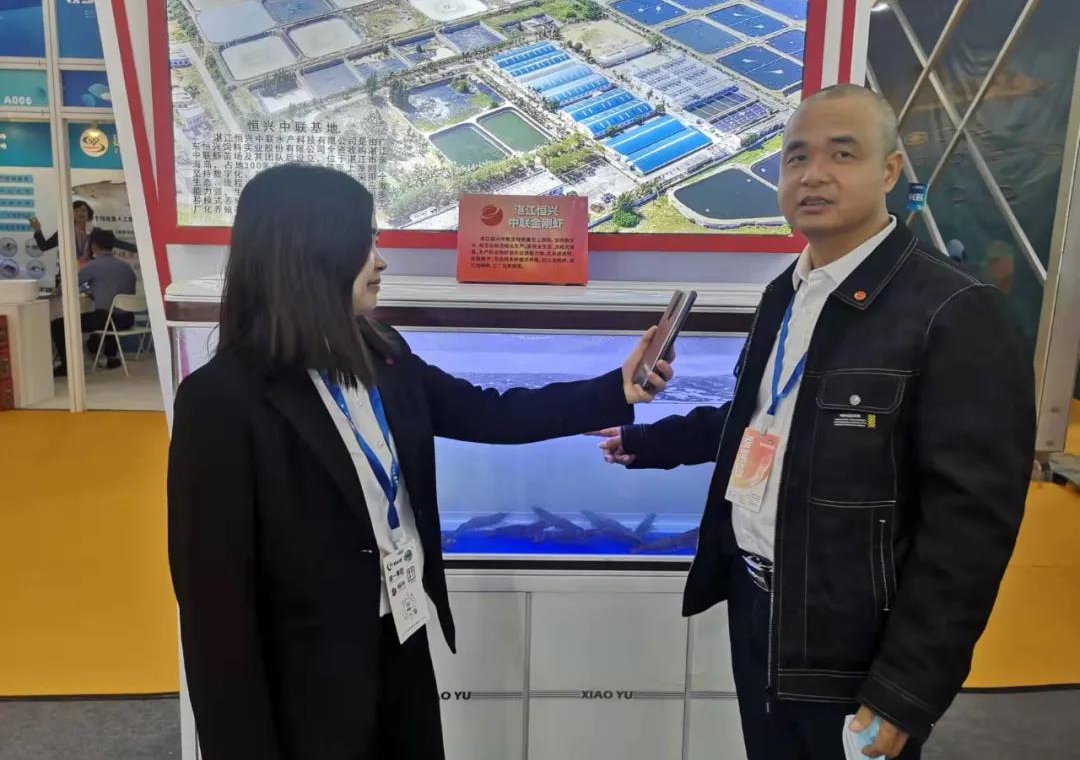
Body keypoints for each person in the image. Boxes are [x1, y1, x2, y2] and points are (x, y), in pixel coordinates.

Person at [166, 163, 674, 760]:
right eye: (366, 243)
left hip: (399, 639)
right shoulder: (221, 401)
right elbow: (214, 612)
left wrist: (616, 388)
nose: (380, 261)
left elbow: (489, 413)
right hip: (303, 681)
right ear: (311, 252)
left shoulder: (380, 352)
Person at [596, 85, 1034, 759]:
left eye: (842, 154)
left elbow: (970, 530)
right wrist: (647, 440)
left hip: (853, 646)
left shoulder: (954, 311)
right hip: (760, 613)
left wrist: (905, 690)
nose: (813, 174)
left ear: (889, 171)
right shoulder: (788, 292)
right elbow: (763, 418)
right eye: (796, 157)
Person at [49, 228, 137, 376]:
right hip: (127, 318)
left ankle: (66, 366)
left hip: (108, 319)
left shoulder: (94, 265)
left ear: (94, 245)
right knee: (105, 316)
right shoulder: (126, 266)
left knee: (58, 325)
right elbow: (123, 292)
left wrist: (56, 291)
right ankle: (111, 357)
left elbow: (67, 286)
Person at [29, 200, 135, 264]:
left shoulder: (96, 232)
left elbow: (118, 244)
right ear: (71, 214)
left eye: (84, 210)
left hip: (91, 270)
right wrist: (38, 230)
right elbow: (44, 246)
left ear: (89, 214)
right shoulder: (65, 232)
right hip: (70, 272)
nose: (80, 213)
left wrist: (138, 248)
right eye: (76, 210)